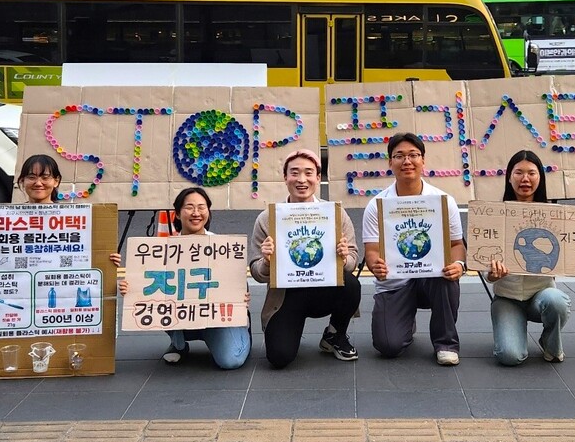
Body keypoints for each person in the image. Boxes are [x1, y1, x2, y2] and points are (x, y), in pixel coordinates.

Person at [0, 155, 123, 296]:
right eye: (31, 177)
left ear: (56, 181)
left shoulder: (74, 220)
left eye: (45, 177)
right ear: (22, 182)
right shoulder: (4, 220)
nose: (38, 183)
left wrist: (108, 260)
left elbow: (91, 259)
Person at [249, 149, 361, 368]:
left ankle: (334, 334)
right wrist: (266, 260)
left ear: (318, 178)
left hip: (325, 290)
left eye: (309, 173)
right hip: (286, 296)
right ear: (285, 177)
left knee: (351, 284)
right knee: (279, 358)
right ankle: (288, 329)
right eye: (294, 173)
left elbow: (353, 259)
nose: (302, 179)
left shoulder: (335, 214)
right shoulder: (267, 218)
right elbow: (256, 272)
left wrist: (344, 257)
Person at [363, 132, 466, 366]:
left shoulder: (443, 201)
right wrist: (374, 264)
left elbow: (457, 245)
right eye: (399, 156)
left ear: (423, 161)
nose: (407, 161)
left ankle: (446, 343)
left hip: (432, 278)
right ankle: (405, 320)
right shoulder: (377, 205)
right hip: (395, 282)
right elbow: (371, 250)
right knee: (388, 346)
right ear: (390, 163)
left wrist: (458, 265)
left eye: (413, 155)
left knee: (447, 275)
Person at [121, 187, 251, 370]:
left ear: (208, 211)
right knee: (163, 298)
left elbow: (236, 282)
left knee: (231, 360)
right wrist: (132, 289)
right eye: (189, 207)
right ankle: (179, 343)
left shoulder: (223, 246)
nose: (196, 213)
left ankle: (240, 332)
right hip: (182, 317)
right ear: (178, 213)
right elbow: (148, 288)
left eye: (201, 207)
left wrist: (242, 297)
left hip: (218, 319)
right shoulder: (161, 250)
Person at [486, 150, 571, 366]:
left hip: (540, 294)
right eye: (518, 173)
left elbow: (573, 251)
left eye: (531, 173)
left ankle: (550, 343)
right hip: (507, 298)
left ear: (540, 178)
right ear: (509, 177)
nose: (525, 179)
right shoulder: (493, 215)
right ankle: (510, 327)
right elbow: (484, 265)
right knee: (510, 357)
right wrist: (493, 275)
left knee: (556, 300)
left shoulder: (555, 214)